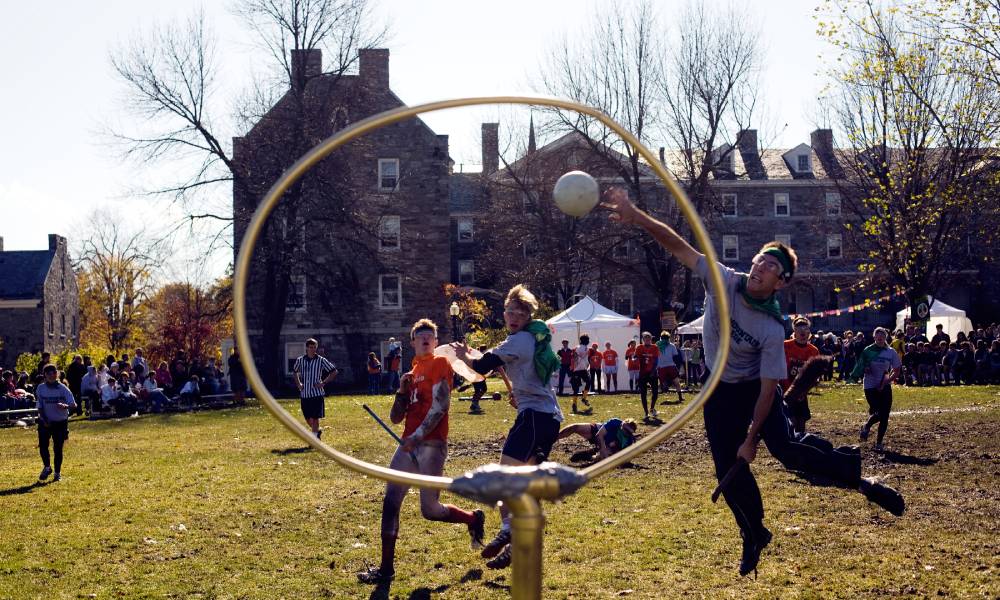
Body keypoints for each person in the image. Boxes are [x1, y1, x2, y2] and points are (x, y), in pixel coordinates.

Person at [603, 187, 905, 578]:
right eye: (760, 260)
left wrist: (752, 439)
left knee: (786, 450)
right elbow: (677, 245)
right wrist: (636, 215)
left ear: (781, 282)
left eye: (771, 268)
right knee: (727, 471)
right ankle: (754, 533)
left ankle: (858, 477)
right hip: (717, 389)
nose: (761, 268)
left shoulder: (769, 326)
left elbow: (766, 391)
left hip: (752, 390)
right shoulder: (723, 280)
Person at [357, 319, 486, 585]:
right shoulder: (411, 370)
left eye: (431, 336)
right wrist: (402, 393)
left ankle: (473, 518)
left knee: (429, 509)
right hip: (407, 444)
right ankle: (386, 570)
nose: (426, 339)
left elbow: (440, 408)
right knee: (391, 502)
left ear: (436, 343)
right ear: (412, 342)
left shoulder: (440, 364)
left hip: (431, 445)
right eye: (421, 336)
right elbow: (395, 418)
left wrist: (416, 437)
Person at [454, 284, 563, 571]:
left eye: (521, 311)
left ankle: (508, 530)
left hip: (534, 419)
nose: (514, 316)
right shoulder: (531, 339)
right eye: (510, 311)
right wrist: (521, 393)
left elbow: (481, 366)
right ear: (504, 313)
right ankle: (515, 545)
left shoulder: (520, 340)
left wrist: (464, 357)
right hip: (548, 419)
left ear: (529, 315)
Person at [852, 327, 902, 451]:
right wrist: (865, 368)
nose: (880, 339)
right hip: (870, 385)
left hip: (885, 385)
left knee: (885, 416)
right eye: (877, 337)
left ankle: (879, 443)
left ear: (886, 338)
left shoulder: (890, 352)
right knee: (878, 413)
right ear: (874, 337)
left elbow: (896, 370)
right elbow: (860, 367)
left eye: (882, 337)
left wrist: (887, 381)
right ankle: (867, 426)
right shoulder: (868, 350)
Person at [35, 364, 76, 482]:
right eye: (49, 373)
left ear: (57, 374)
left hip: (60, 422)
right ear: (45, 375)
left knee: (58, 448)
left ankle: (57, 473)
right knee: (43, 446)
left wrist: (66, 406)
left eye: (54, 373)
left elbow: (74, 405)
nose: (52, 375)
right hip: (45, 421)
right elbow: (40, 406)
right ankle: (47, 467)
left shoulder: (63, 388)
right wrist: (44, 419)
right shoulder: (40, 388)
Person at [293, 338, 338, 439]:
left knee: (315, 418)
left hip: (317, 394)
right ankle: (317, 431)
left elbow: (334, 371)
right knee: (308, 419)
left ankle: (314, 440)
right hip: (305, 394)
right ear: (306, 348)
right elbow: (295, 372)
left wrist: (323, 383)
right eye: (311, 347)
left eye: (314, 347)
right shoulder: (300, 360)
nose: (313, 349)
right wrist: (299, 384)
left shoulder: (321, 360)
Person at [782, 317, 821, 435]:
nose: (803, 334)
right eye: (800, 332)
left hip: (801, 393)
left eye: (805, 331)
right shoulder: (785, 346)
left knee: (801, 421)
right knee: (791, 421)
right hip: (785, 390)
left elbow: (814, 375)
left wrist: (805, 390)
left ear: (809, 332)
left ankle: (801, 443)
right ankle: (790, 444)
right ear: (794, 332)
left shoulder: (813, 350)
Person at [558, 417, 637, 458]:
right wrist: (603, 449)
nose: (624, 431)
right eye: (624, 427)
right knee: (575, 427)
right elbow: (599, 435)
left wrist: (607, 453)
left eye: (627, 431)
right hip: (597, 432)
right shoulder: (615, 422)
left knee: (600, 457)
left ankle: (587, 455)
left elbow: (621, 455)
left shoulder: (628, 441)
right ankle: (552, 438)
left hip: (608, 445)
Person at [635, 332, 660, 420]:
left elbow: (656, 360)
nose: (647, 340)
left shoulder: (655, 347)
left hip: (652, 373)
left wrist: (653, 371)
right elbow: (635, 357)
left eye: (649, 339)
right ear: (643, 340)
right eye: (646, 339)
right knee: (643, 393)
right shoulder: (639, 347)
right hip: (643, 373)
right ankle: (646, 412)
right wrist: (634, 358)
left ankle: (652, 408)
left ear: (651, 340)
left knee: (655, 392)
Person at [656, 331, 685, 402]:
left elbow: (655, 356)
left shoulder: (657, 345)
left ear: (661, 338)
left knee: (661, 383)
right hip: (670, 366)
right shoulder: (671, 345)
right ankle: (680, 397)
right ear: (668, 338)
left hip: (661, 367)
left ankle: (657, 396)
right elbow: (675, 356)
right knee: (676, 382)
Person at [570, 335, 592, 414]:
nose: (589, 341)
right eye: (588, 340)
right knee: (576, 388)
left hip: (583, 369)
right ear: (585, 340)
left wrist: (587, 364)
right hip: (577, 370)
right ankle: (574, 404)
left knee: (588, 381)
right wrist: (574, 366)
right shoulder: (578, 348)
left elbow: (586, 358)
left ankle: (584, 398)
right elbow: (574, 357)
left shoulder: (587, 348)